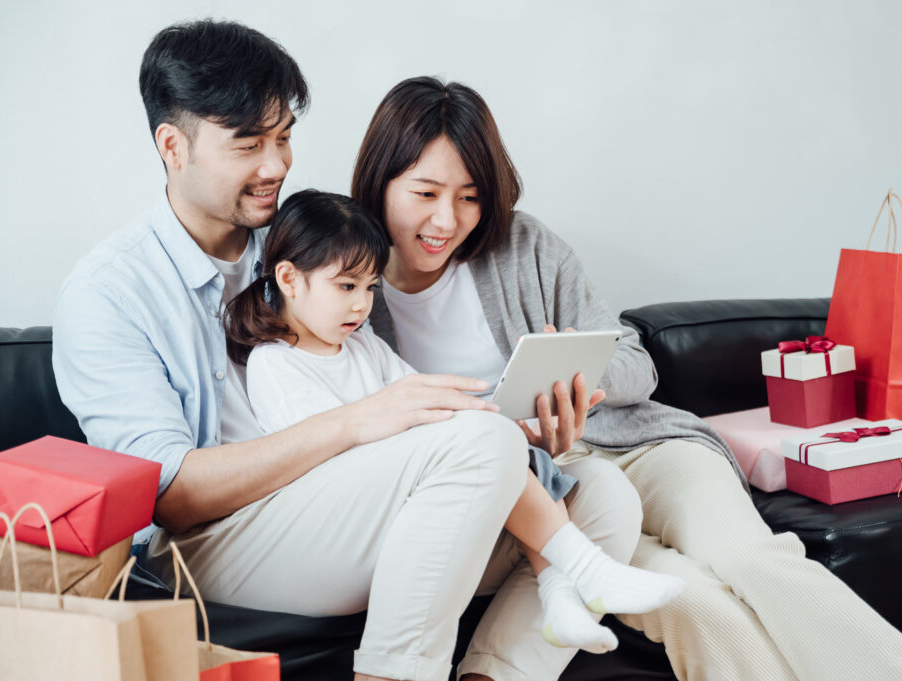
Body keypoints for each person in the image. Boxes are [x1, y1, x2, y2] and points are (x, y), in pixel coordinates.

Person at [51, 22, 641, 681]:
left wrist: (520, 428)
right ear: (172, 146)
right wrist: (362, 420)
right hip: (208, 543)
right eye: (249, 143)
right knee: (484, 449)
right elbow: (169, 496)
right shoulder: (109, 294)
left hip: (341, 506)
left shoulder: (308, 238)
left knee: (601, 494)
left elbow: (398, 393)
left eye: (283, 136)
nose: (275, 164)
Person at [351, 76, 902, 681]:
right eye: (425, 192)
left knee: (752, 560)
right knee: (691, 602)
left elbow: (639, 361)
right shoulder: (345, 286)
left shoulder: (522, 245)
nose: (446, 219)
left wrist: (581, 373)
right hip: (566, 488)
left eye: (470, 197)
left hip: (645, 446)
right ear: (381, 181)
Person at [223, 188, 684, 655]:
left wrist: (501, 424)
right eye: (346, 287)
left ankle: (560, 594)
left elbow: (424, 398)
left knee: (507, 448)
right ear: (288, 278)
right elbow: (321, 456)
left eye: (370, 288)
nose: (362, 306)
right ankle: (585, 571)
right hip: (350, 511)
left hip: (407, 482)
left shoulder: (361, 345)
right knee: (486, 446)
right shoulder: (276, 364)